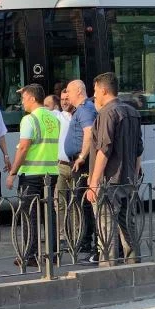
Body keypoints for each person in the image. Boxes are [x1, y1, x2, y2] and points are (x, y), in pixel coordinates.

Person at [86, 72, 143, 266]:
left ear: (103, 90)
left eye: (95, 90)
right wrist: (134, 176)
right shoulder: (132, 112)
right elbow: (138, 150)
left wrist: (93, 182)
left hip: (109, 180)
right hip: (127, 178)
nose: (94, 95)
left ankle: (107, 267)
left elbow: (104, 149)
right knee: (128, 223)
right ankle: (134, 262)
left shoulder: (107, 113)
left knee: (105, 225)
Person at [6, 84, 59, 268]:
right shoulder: (53, 118)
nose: (22, 102)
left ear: (32, 98)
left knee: (30, 216)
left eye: (23, 98)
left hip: (32, 175)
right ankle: (53, 254)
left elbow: (23, 147)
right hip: (52, 173)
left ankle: (30, 255)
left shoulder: (29, 120)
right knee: (48, 215)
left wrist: (13, 172)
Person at [64, 80, 98, 260]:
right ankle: (85, 239)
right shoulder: (82, 109)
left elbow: (89, 131)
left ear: (78, 90)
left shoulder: (84, 109)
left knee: (85, 203)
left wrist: (82, 156)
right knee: (81, 202)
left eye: (68, 91)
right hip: (79, 161)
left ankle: (88, 241)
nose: (67, 95)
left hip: (81, 163)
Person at [55, 89, 73, 246]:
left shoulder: (80, 116)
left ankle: (76, 234)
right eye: (62, 99)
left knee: (75, 203)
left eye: (67, 99)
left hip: (76, 166)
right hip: (61, 166)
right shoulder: (57, 117)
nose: (65, 102)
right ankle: (62, 235)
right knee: (59, 202)